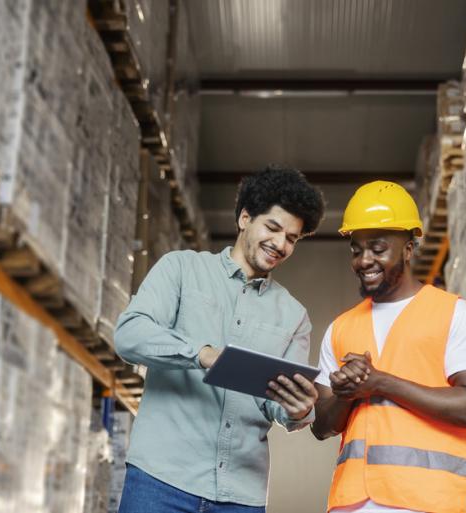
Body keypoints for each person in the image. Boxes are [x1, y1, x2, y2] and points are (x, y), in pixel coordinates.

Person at [114, 166, 325, 513]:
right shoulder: (181, 269)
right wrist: (203, 354)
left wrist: (298, 410)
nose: (280, 244)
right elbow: (129, 335)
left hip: (241, 496)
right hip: (161, 480)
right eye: (272, 228)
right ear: (245, 218)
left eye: (292, 238)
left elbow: (277, 406)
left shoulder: (294, 316)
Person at [311, 181, 466, 513]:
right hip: (352, 504)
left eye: (378, 248)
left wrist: (380, 383)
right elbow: (321, 426)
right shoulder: (341, 328)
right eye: (356, 250)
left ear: (408, 249)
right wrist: (345, 393)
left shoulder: (454, 314)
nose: (364, 260)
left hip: (428, 503)